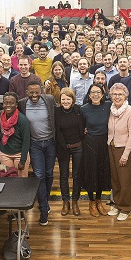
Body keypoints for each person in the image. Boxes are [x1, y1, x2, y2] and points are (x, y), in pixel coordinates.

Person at [17, 81, 56, 225]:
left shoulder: (50, 100)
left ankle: (44, 199)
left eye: (37, 92)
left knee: (49, 173)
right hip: (34, 144)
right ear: (26, 92)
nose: (34, 95)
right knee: (39, 175)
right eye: (31, 92)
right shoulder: (22, 104)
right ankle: (44, 209)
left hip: (51, 142)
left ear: (41, 91)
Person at [106, 82, 131, 222]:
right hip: (111, 146)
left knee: (125, 180)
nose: (117, 96)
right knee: (115, 179)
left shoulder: (130, 111)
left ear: (125, 96)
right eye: (114, 94)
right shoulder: (111, 109)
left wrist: (125, 155)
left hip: (124, 149)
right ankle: (117, 204)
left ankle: (126, 207)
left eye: (120, 94)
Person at [79, 84, 112, 217]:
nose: (96, 95)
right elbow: (81, 127)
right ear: (89, 94)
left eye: (98, 92)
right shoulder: (83, 109)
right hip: (90, 143)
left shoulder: (108, 106)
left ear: (103, 94)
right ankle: (91, 202)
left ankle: (99, 201)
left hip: (104, 143)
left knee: (101, 173)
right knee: (91, 173)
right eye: (93, 92)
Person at [54, 88, 85, 217]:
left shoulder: (78, 110)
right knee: (64, 175)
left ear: (73, 100)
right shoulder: (56, 112)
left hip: (78, 147)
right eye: (63, 99)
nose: (66, 102)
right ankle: (65, 202)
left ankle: (75, 202)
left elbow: (85, 123)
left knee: (77, 175)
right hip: (63, 148)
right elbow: (56, 130)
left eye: (68, 99)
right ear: (60, 100)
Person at [0, 92, 30, 178]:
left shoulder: (23, 120)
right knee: (8, 180)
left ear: (16, 105)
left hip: (19, 154)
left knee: (21, 182)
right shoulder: (0, 115)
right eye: (6, 103)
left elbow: (26, 141)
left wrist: (23, 160)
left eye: (11, 103)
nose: (8, 105)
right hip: (5, 153)